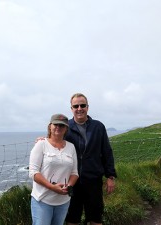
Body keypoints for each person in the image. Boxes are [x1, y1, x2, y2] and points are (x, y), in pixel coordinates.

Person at [65, 93, 117, 225]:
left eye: (82, 105)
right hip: (72, 180)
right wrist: (43, 140)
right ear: (71, 108)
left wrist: (110, 176)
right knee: (72, 217)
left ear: (88, 107)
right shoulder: (66, 127)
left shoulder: (98, 127)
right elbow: (54, 140)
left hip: (93, 180)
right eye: (76, 106)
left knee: (95, 217)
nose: (79, 108)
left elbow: (106, 152)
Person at [29, 113, 79, 225]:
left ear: (66, 128)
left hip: (63, 201)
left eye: (62, 125)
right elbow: (33, 172)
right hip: (42, 200)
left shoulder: (71, 147)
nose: (58, 127)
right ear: (50, 126)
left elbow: (75, 173)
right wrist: (52, 187)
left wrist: (69, 186)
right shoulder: (41, 144)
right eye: (55, 124)